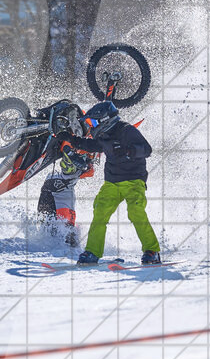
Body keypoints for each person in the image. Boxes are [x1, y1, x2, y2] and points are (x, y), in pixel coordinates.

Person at [58, 101, 161, 265]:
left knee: (135, 212)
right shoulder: (104, 135)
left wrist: (128, 151)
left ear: (104, 120)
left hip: (134, 181)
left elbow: (147, 149)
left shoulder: (127, 130)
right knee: (100, 212)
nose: (92, 126)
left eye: (93, 122)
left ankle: (152, 251)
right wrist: (70, 139)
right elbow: (91, 145)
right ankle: (92, 252)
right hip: (112, 183)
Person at [38, 148, 94, 246]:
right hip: (50, 195)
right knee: (48, 228)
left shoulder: (79, 171)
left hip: (61, 199)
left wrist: (87, 160)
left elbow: (90, 171)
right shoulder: (69, 172)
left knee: (65, 230)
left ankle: (69, 244)